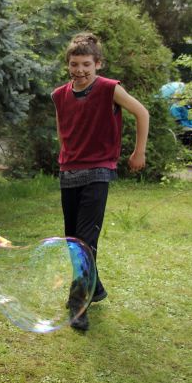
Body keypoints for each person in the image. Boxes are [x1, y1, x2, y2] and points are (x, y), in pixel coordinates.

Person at [51, 33, 149, 331]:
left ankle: (78, 304)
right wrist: (66, 156)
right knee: (73, 241)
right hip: (69, 171)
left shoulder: (109, 89)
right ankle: (98, 288)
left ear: (98, 64)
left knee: (85, 240)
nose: (79, 70)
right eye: (74, 64)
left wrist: (138, 151)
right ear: (68, 64)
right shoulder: (59, 95)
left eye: (86, 64)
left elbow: (141, 113)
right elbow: (62, 131)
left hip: (98, 171)